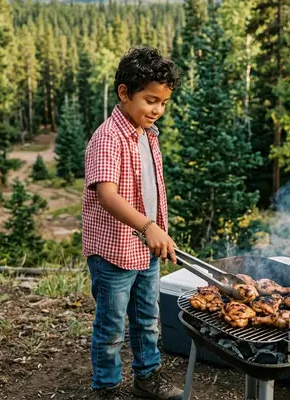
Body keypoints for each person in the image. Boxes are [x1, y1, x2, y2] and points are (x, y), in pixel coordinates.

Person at [83, 47, 183, 400]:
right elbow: (107, 194)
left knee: (147, 319)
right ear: (125, 93)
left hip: (146, 249)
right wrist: (147, 226)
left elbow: (148, 191)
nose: (157, 110)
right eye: (150, 100)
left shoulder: (146, 133)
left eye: (163, 103)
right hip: (113, 252)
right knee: (111, 326)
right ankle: (106, 388)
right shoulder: (107, 137)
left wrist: (158, 231)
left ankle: (147, 376)